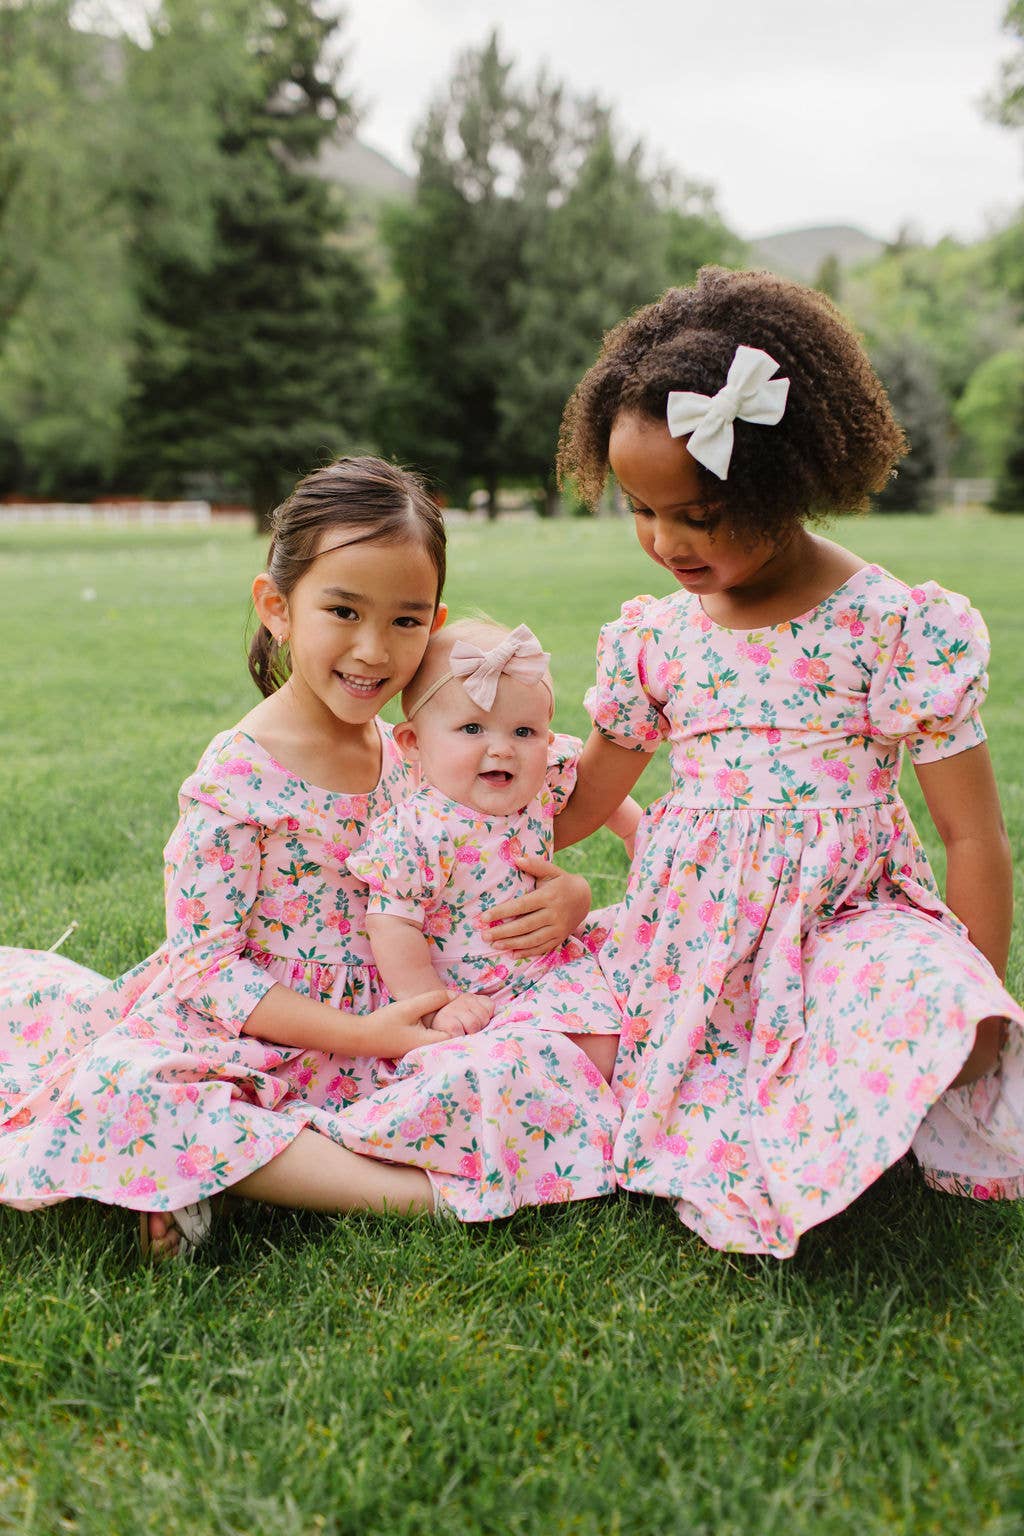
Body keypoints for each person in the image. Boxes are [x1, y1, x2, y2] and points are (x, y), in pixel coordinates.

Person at [0, 458, 608, 1258]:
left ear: (436, 622)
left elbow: (507, 839)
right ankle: (411, 1193)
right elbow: (206, 969)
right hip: (274, 1024)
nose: (373, 649)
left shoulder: (417, 745)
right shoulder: (236, 778)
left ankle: (229, 1166)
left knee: (575, 1026)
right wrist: (367, 1037)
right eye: (344, 610)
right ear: (277, 608)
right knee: (131, 1094)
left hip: (416, 1002)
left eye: (405, 620)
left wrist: (572, 894)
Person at [550, 265, 1024, 1258]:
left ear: (782, 481)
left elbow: (969, 831)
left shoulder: (891, 625)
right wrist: (474, 813)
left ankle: (875, 1079)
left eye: (698, 517)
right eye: (640, 510)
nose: (663, 541)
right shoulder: (659, 640)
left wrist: (975, 998)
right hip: (699, 936)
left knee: (926, 998)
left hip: (846, 917)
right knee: (639, 1058)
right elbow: (586, 800)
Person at [344, 617, 634, 1080]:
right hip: (470, 990)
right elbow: (391, 922)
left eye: (524, 732)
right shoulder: (419, 830)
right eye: (472, 729)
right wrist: (438, 1004)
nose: (502, 749)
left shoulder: (540, 782)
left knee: (616, 1039)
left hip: (549, 970)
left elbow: (600, 793)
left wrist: (639, 839)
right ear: (413, 743)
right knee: (499, 1071)